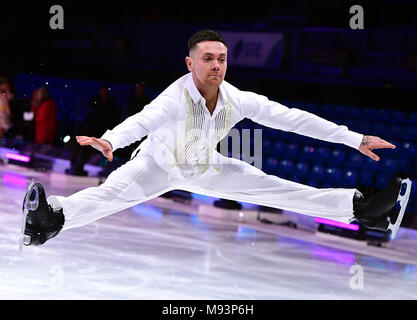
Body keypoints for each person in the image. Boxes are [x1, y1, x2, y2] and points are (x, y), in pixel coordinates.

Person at [21, 30, 411, 247]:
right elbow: (145, 118)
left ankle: (363, 210)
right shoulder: (176, 96)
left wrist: (353, 138)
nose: (216, 65)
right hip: (156, 164)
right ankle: (48, 219)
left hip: (205, 166)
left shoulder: (236, 98)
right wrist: (111, 140)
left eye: (222, 58)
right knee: (110, 195)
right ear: (191, 63)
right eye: (208, 58)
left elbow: (291, 119)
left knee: (274, 187)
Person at [65, 85, 122, 176]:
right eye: (102, 91)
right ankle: (76, 166)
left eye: (104, 91)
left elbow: (112, 119)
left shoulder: (111, 104)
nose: (103, 93)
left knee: (86, 146)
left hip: (102, 131)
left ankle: (79, 166)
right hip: (92, 129)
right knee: (78, 144)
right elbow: (89, 117)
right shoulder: (94, 102)